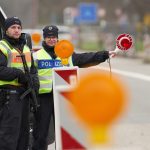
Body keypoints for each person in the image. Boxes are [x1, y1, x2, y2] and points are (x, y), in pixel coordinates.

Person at [32, 25, 117, 150]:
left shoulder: (67, 54)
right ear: (44, 39)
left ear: (57, 38)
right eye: (48, 37)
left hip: (63, 97)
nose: (51, 39)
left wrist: (104, 55)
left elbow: (85, 58)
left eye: (54, 37)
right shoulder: (36, 56)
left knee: (65, 131)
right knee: (41, 133)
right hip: (43, 98)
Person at [0, 17, 39, 150]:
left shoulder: (26, 48)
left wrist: (34, 83)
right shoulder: (2, 47)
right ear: (6, 30)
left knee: (24, 136)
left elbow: (33, 70)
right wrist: (19, 75)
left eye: (19, 28)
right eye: (13, 28)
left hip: (25, 96)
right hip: (9, 97)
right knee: (9, 135)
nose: (16, 30)